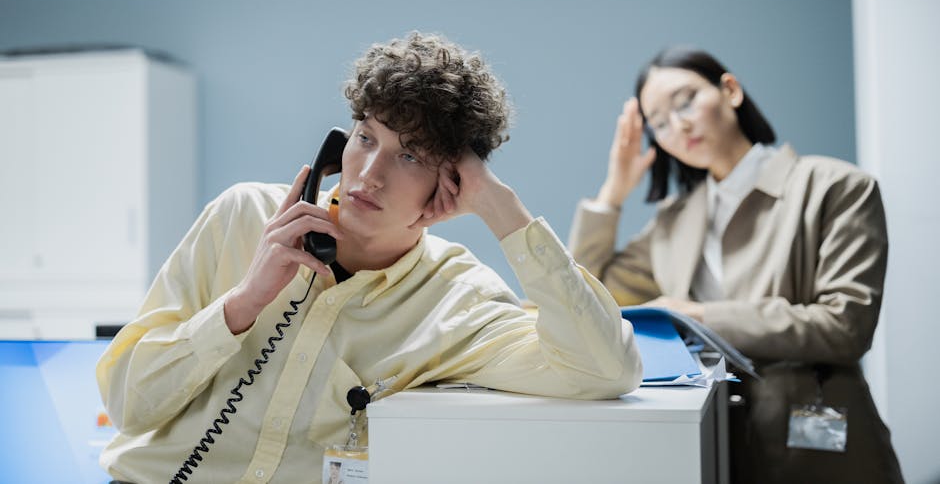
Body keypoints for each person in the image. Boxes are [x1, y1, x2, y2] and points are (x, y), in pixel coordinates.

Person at [96, 31, 641, 484]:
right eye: (365, 138)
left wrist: (502, 208)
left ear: (452, 180)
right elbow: (127, 404)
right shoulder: (242, 217)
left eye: (409, 155)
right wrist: (244, 302)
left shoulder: (458, 298)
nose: (369, 173)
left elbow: (604, 368)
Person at [568, 47, 903, 483]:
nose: (678, 125)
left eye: (685, 101)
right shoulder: (673, 221)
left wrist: (699, 317)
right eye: (660, 123)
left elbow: (846, 327)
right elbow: (587, 297)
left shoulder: (835, 187)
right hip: (711, 445)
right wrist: (613, 192)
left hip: (820, 452)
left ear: (730, 90)